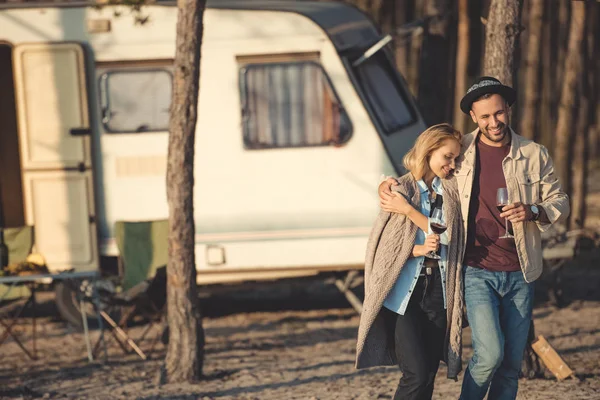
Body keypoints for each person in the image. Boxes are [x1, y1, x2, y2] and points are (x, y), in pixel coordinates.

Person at [378, 77, 570, 400]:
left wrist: (534, 210)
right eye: (485, 117)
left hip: (522, 272)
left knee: (510, 365)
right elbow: (424, 166)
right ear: (474, 118)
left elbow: (560, 201)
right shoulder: (461, 151)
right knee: (490, 355)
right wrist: (386, 184)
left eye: (498, 113)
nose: (493, 122)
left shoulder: (534, 154)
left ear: (508, 109)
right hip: (476, 270)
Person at [356, 123, 466, 400]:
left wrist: (408, 211)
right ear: (429, 151)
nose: (452, 165)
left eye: (456, 158)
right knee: (415, 373)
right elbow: (385, 251)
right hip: (406, 294)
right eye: (447, 157)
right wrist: (415, 250)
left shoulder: (451, 192)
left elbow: (449, 234)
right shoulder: (400, 189)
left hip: (440, 291)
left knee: (428, 373)